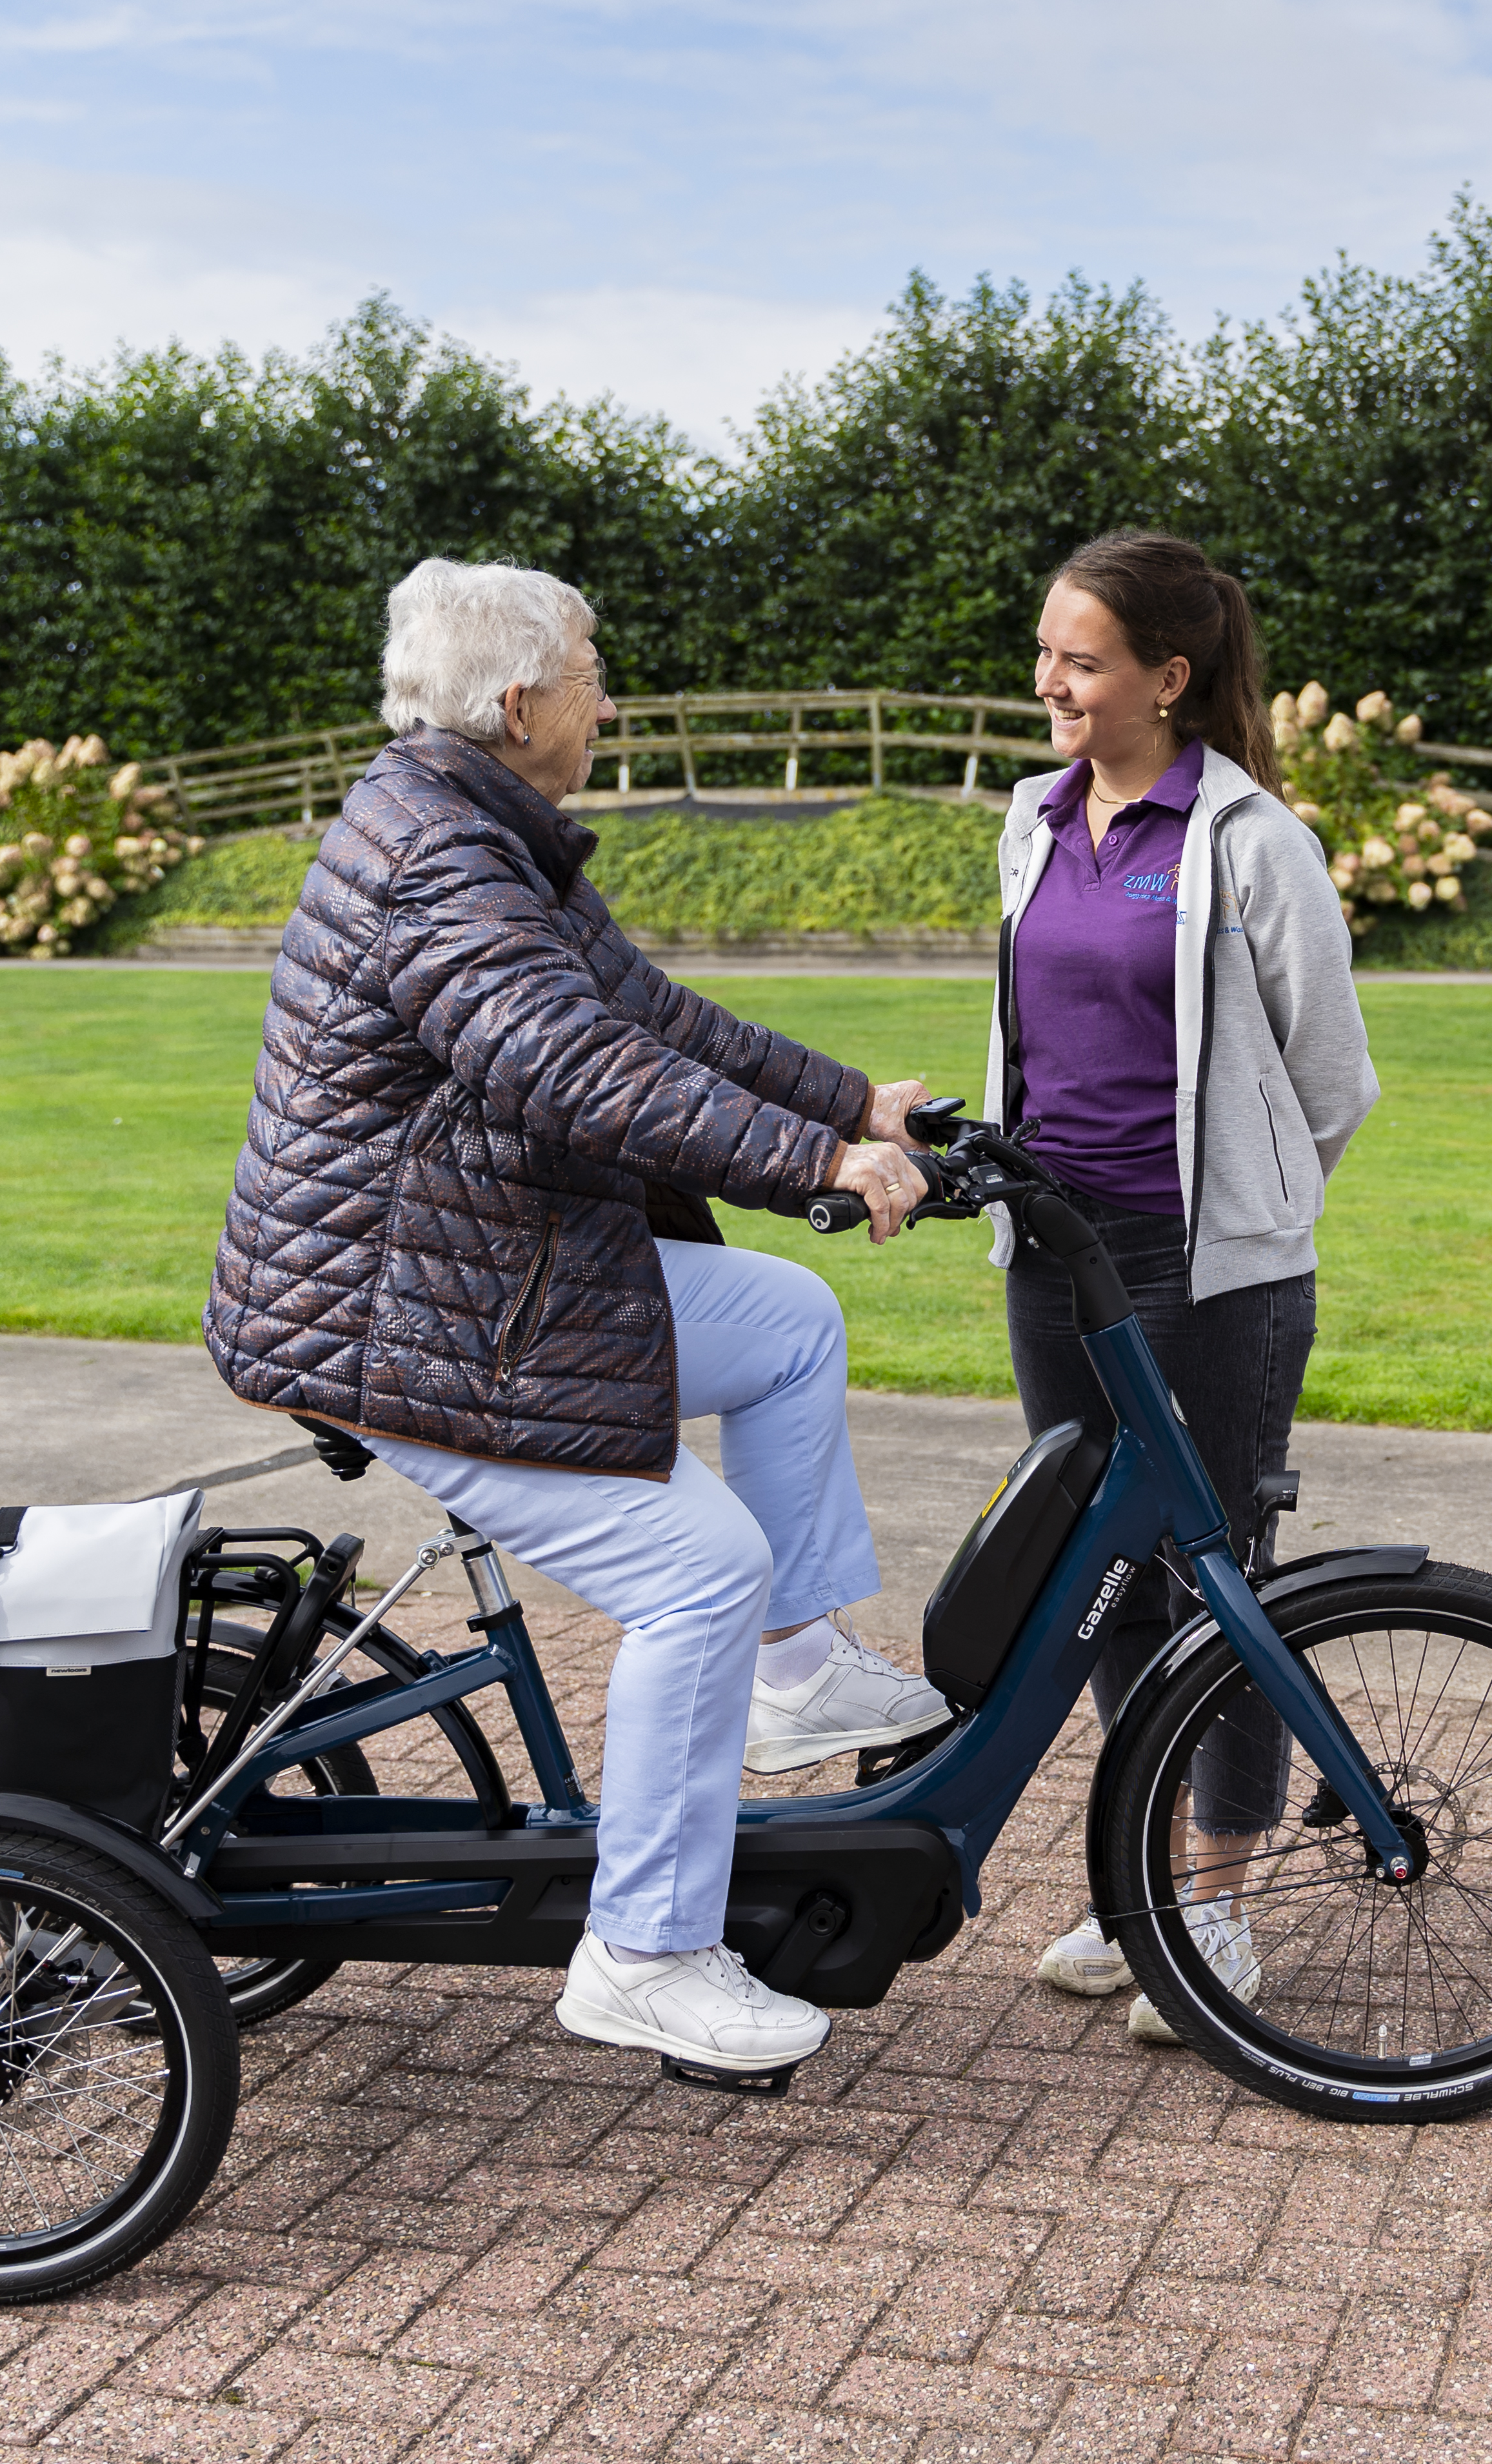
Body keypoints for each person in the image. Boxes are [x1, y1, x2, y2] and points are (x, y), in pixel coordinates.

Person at [204, 556, 952, 2080]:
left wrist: (846, 1096)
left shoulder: (479, 828)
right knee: (700, 1569)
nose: (610, 698)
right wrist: (815, 1159)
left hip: (471, 1273)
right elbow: (573, 1068)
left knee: (791, 1322)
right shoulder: (442, 862)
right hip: (401, 1318)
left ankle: (796, 1673)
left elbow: (648, 1014)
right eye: (597, 672)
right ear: (525, 700)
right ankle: (648, 1949)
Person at [973, 530, 1377, 2042]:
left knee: (1219, 1584)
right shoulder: (1031, 821)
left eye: (1081, 660)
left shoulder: (1251, 838)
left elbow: (1332, 1079)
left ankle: (1211, 1904)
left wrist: (1251, 1213)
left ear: (1168, 678)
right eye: (1047, 653)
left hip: (1209, 1277)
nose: (1050, 683)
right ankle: (1149, 1879)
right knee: (1097, 1583)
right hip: (1054, 1262)